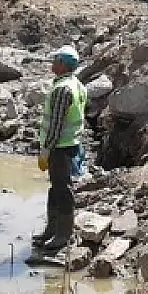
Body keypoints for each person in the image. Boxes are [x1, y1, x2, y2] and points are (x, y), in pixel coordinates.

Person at [33, 45, 88, 251]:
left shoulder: (63, 89)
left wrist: (46, 150)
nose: (52, 63)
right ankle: (52, 230)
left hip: (60, 148)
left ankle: (62, 235)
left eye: (55, 60)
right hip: (69, 145)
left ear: (63, 64)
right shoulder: (76, 85)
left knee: (62, 191)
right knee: (56, 189)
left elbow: (56, 124)